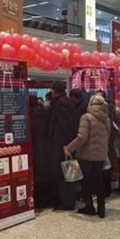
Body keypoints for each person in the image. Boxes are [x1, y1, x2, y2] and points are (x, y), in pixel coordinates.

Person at [64, 95, 110, 218]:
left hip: (86, 156)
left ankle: (89, 207)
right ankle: (101, 209)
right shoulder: (106, 118)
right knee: (99, 182)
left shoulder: (86, 117)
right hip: (101, 155)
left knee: (86, 182)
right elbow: (108, 134)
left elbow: (82, 137)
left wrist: (69, 148)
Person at [45, 81, 77, 210]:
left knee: (64, 173)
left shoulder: (61, 103)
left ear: (54, 91)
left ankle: (67, 202)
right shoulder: (66, 101)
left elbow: (64, 125)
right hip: (65, 144)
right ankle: (68, 200)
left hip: (62, 145)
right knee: (67, 172)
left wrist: (65, 145)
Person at [29, 95, 49, 208]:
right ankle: (45, 199)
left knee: (37, 173)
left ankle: (39, 200)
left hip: (35, 145)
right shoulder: (45, 111)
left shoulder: (31, 114)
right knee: (43, 172)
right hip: (45, 145)